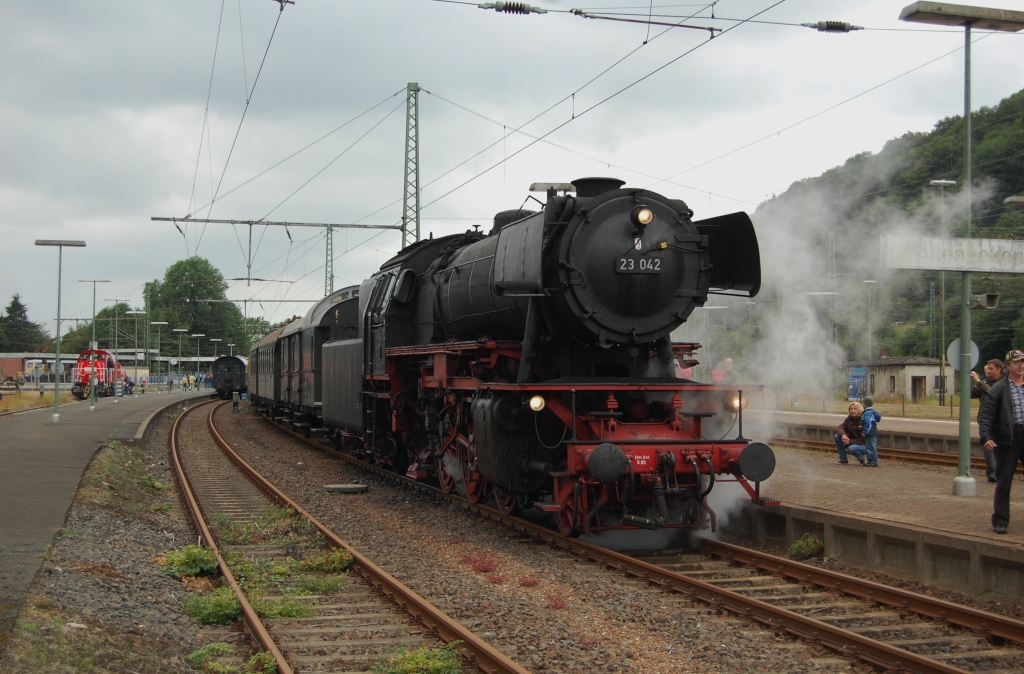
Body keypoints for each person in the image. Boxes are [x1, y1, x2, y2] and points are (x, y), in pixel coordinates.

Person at [978, 349, 1024, 535]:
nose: (1021, 366)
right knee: (1004, 481)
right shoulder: (999, 389)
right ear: (1008, 366)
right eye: (1017, 363)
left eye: (1023, 362)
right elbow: (986, 416)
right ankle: (1000, 520)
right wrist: (986, 437)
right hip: (1008, 438)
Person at [971, 359, 1004, 482]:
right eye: (988, 368)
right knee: (987, 444)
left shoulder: (1004, 382)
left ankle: (999, 471)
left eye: (991, 369)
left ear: (999, 369)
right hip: (985, 418)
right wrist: (973, 383)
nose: (988, 371)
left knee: (1000, 445)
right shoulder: (985, 381)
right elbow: (972, 394)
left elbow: (992, 392)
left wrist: (979, 382)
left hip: (1000, 419)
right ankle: (992, 472)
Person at [861, 396, 882, 467]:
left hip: (870, 433)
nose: (862, 404)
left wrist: (865, 432)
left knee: (870, 448)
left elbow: (868, 424)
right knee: (870, 447)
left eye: (863, 403)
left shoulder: (867, 413)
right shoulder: (873, 411)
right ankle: (870, 461)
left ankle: (873, 462)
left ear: (865, 404)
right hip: (873, 432)